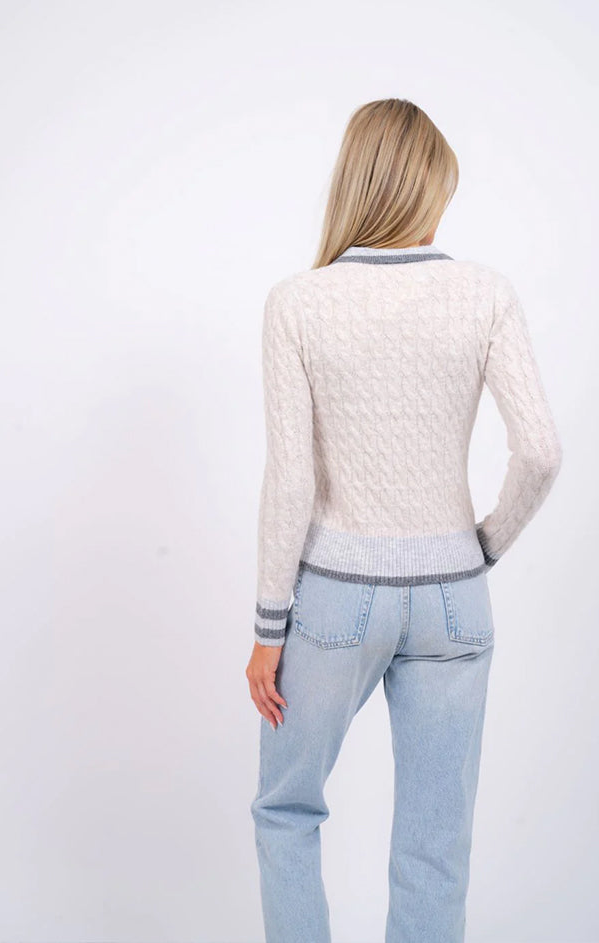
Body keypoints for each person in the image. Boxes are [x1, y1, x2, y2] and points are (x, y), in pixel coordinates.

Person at [245, 98, 563, 943]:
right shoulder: (485, 293)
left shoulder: (297, 303)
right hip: (456, 599)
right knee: (435, 843)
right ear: (425, 187)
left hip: (336, 599)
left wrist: (268, 630)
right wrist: (479, 546)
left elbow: (290, 481)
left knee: (287, 810)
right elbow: (540, 451)